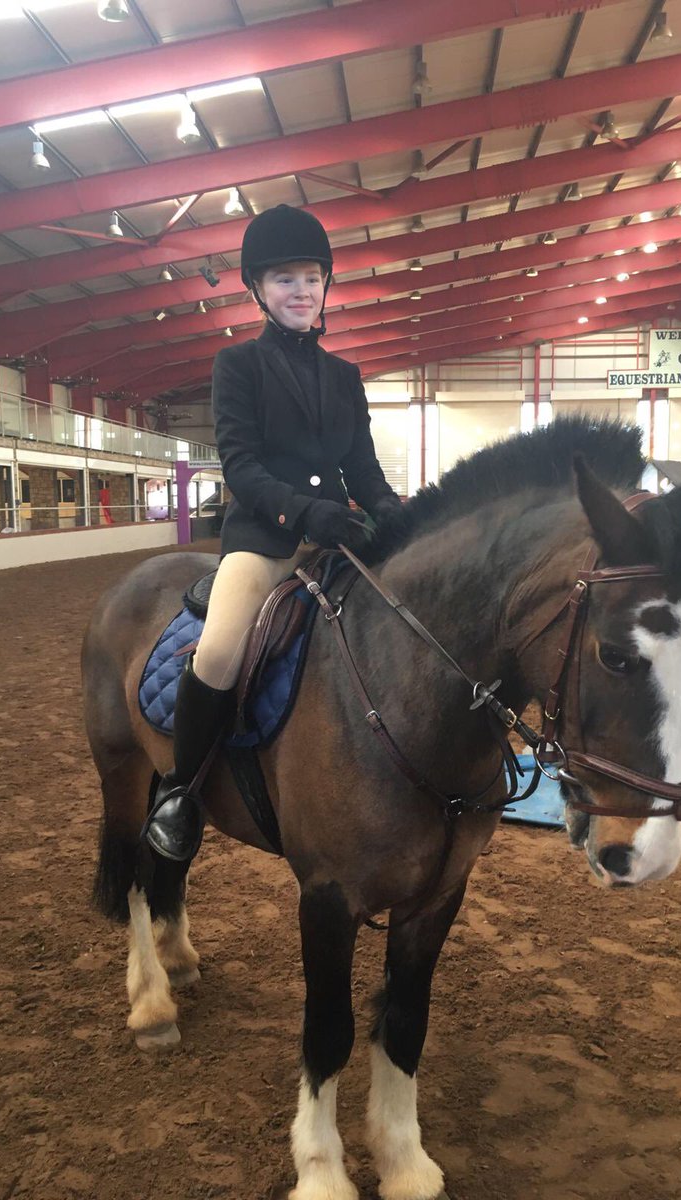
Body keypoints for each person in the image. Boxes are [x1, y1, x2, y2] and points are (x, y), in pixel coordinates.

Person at [145, 204, 402, 862]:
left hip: (336, 538)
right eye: (285, 279)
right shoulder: (238, 367)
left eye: (312, 278)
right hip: (265, 541)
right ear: (257, 288)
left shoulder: (345, 377)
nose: (301, 291)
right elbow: (242, 466)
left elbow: (363, 470)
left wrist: (395, 512)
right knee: (222, 649)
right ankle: (180, 792)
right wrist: (302, 510)